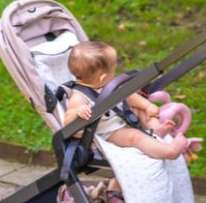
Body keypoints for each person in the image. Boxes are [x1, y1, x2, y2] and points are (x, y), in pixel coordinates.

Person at [62, 40, 196, 161]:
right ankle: (169, 151)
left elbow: (128, 96)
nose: (115, 73)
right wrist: (77, 113)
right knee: (134, 137)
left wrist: (147, 105)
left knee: (141, 108)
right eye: (113, 70)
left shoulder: (106, 84)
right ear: (102, 78)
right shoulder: (79, 96)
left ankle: (156, 130)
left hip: (121, 115)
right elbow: (67, 121)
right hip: (109, 131)